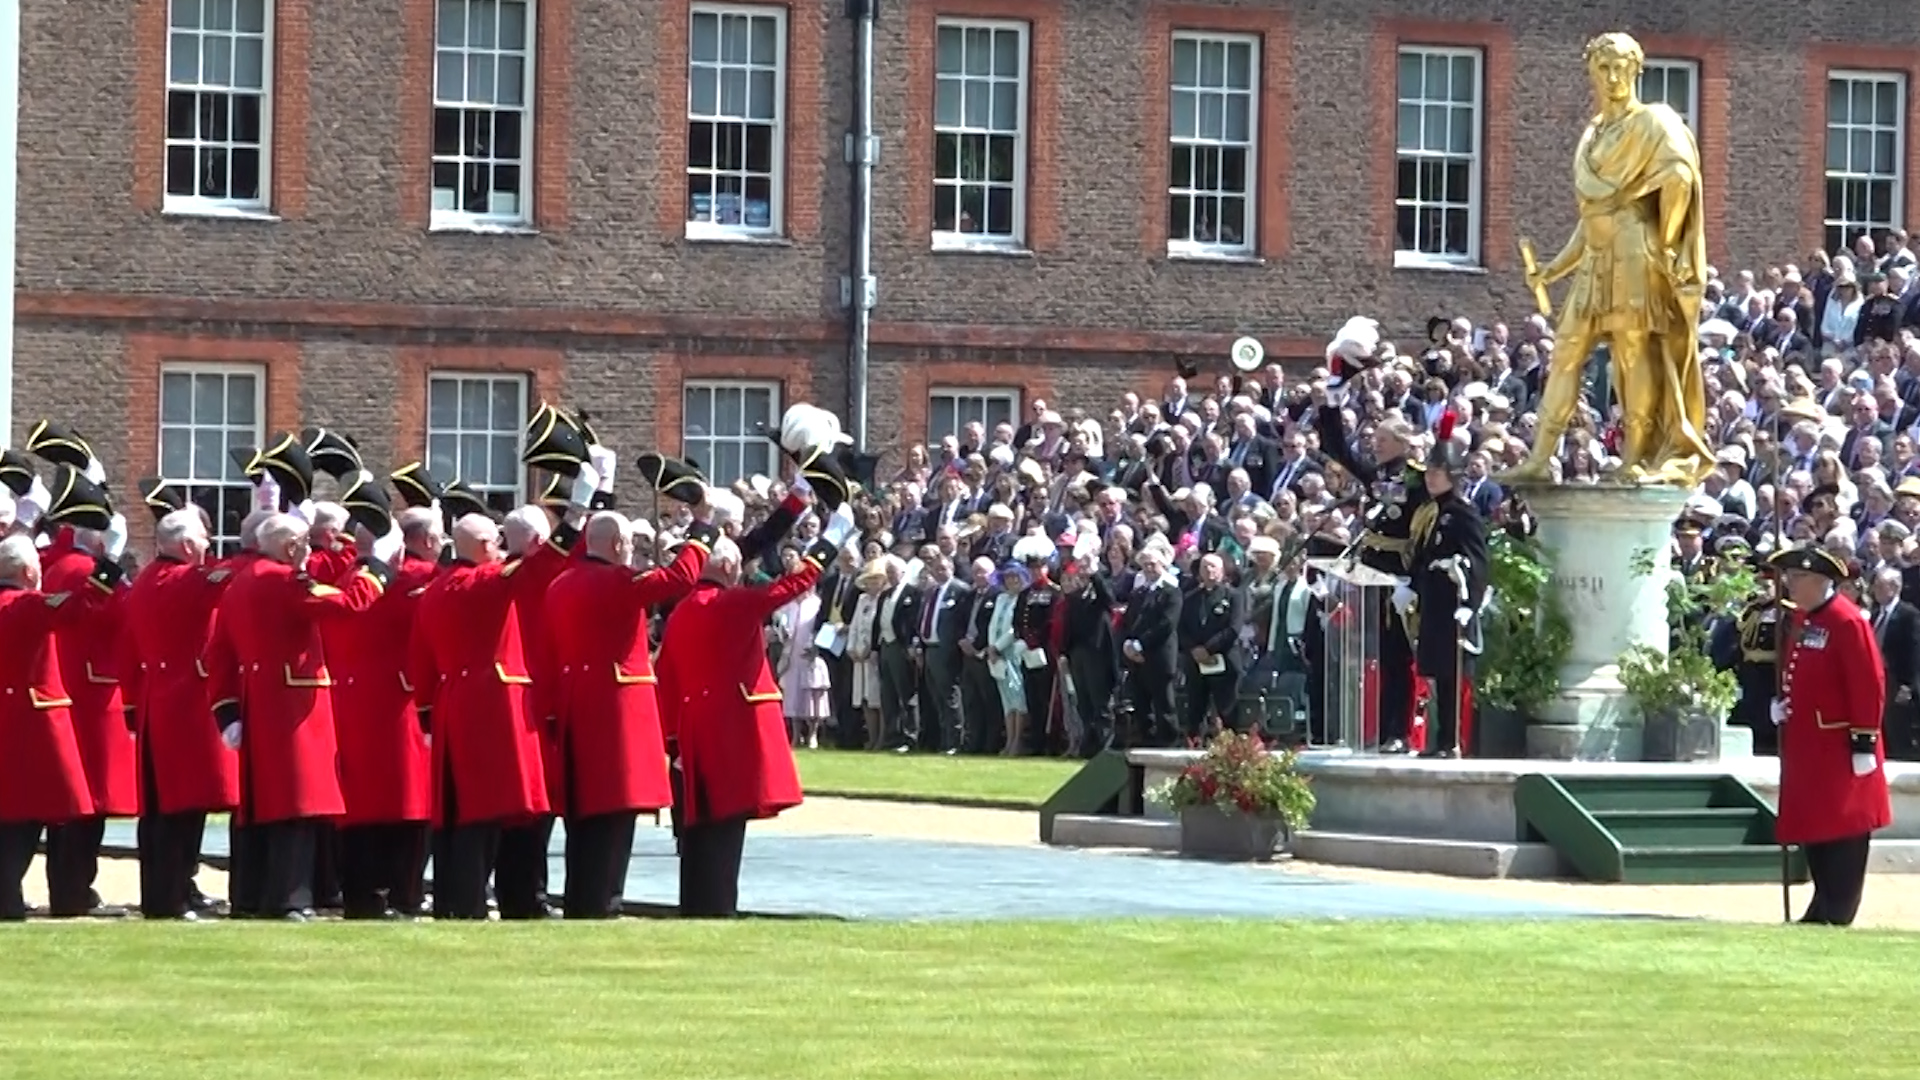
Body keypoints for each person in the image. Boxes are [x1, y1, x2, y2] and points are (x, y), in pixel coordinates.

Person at [1505, 32, 1715, 484]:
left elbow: (1680, 175)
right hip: (1597, 256)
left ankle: (1634, 456)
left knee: (1632, 351)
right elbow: (1591, 218)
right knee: (1565, 351)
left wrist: (1669, 238)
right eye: (1604, 67)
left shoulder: (1654, 122)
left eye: (1622, 66)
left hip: (1636, 251)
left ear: (1637, 69)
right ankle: (1539, 458)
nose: (1614, 76)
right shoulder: (1592, 134)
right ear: (1591, 72)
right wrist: (1554, 268)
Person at [655, 499, 861, 917]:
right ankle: (716, 909)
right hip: (731, 731)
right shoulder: (731, 604)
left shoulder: (681, 612)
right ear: (731, 570)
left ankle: (697, 906)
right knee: (725, 831)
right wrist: (831, 539)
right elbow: (791, 585)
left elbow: (670, 682)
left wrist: (673, 741)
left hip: (694, 732)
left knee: (700, 830)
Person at [203, 513, 390, 920]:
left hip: (259, 702)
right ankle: (290, 898)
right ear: (291, 548)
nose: (308, 552)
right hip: (293, 706)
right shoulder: (284, 580)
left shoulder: (241, 582)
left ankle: (251, 896)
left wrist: (227, 710)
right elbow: (345, 605)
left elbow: (217, 651)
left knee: (262, 807)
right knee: (296, 807)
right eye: (304, 545)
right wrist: (375, 570)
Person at [545, 497, 718, 921]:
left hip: (575, 704)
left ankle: (583, 898)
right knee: (613, 814)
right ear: (619, 542)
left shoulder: (561, 583)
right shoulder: (616, 583)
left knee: (583, 817)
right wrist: (702, 529)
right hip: (614, 708)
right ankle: (604, 901)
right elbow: (681, 576)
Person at [0, 520, 126, 919]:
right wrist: (111, 562)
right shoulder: (23, 605)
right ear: (27, 573)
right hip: (29, 723)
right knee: (25, 816)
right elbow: (79, 604)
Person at [119, 507, 240, 920]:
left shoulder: (144, 582)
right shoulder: (188, 580)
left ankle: (171, 891)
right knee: (182, 808)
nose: (208, 546)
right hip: (187, 703)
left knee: (161, 808)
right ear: (187, 545)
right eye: (203, 540)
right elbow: (237, 575)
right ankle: (171, 899)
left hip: (156, 701)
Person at [1769, 545, 1891, 927]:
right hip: (1809, 744)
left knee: (1843, 828)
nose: (1789, 584)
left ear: (1820, 581)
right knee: (1815, 825)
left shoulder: (1846, 621)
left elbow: (1869, 684)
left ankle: (1837, 908)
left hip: (1839, 745)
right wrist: (1784, 703)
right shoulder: (1807, 620)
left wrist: (1864, 740)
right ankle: (1822, 903)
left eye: (1797, 577)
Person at [331, 504, 440, 920]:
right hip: (402, 703)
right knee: (409, 805)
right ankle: (405, 895)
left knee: (361, 806)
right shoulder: (416, 578)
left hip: (353, 704)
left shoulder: (343, 579)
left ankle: (363, 895)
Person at [37, 487, 134, 917]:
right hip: (93, 691)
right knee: (88, 801)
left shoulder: (56, 565)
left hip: (68, 686)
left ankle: (71, 888)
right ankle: (73, 891)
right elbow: (117, 614)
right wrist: (113, 568)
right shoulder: (85, 571)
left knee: (68, 801)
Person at [1317, 394, 1427, 753]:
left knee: (1399, 658)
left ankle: (1400, 731)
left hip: (1399, 578)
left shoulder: (1416, 479)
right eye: (1374, 440)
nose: (1374, 446)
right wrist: (1332, 402)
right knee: (1380, 657)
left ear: (1400, 443)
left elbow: (1423, 529)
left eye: (1382, 441)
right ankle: (1381, 729)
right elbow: (1339, 450)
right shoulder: (1378, 476)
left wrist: (1413, 579)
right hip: (1371, 578)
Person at [1410, 414, 1489, 758]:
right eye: (1428, 473)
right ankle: (1439, 739)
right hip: (1433, 602)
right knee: (1436, 674)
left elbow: (1479, 561)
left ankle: (1451, 740)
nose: (1430, 479)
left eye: (1436, 473)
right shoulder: (1431, 512)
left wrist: (1469, 604)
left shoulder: (1462, 513)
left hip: (1453, 602)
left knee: (1452, 676)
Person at [1118, 544, 1182, 746]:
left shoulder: (1171, 592)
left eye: (1153, 564)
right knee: (1141, 703)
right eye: (1145, 565)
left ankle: (1169, 743)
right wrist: (1128, 643)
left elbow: (1166, 624)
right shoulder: (1139, 593)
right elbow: (1129, 621)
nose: (1149, 569)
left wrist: (1140, 644)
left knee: (1164, 705)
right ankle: (1146, 741)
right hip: (1138, 660)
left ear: (1162, 565)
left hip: (1159, 657)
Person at [1177, 552, 1244, 736]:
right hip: (1196, 662)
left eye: (1213, 566)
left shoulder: (1234, 596)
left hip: (1224, 660)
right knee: (1195, 711)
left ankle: (1232, 752)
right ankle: (1194, 749)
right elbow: (1181, 628)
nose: (1209, 570)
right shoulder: (1189, 598)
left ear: (1222, 571)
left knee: (1228, 709)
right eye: (1204, 567)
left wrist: (1208, 649)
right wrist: (1194, 649)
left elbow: (1234, 628)